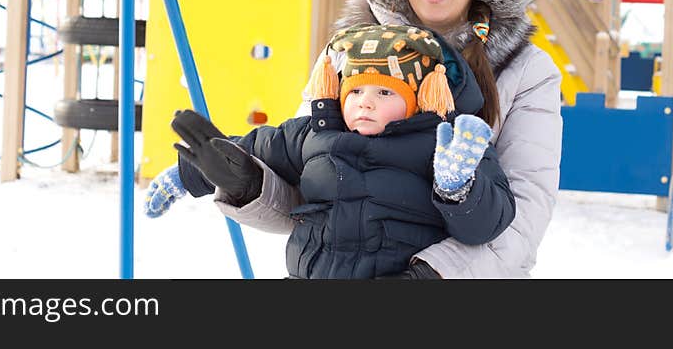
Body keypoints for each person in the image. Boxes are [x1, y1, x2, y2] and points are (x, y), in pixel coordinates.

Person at [150, 0, 563, 278]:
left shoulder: (526, 72)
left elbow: (522, 216)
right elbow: (307, 183)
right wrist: (246, 182)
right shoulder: (349, 55)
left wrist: (427, 277)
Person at [146, 22, 515, 279]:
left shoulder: (445, 147)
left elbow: (485, 226)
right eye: (355, 92)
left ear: (419, 99)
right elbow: (251, 148)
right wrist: (189, 173)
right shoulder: (313, 134)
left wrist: (457, 188)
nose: (365, 104)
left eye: (384, 93)